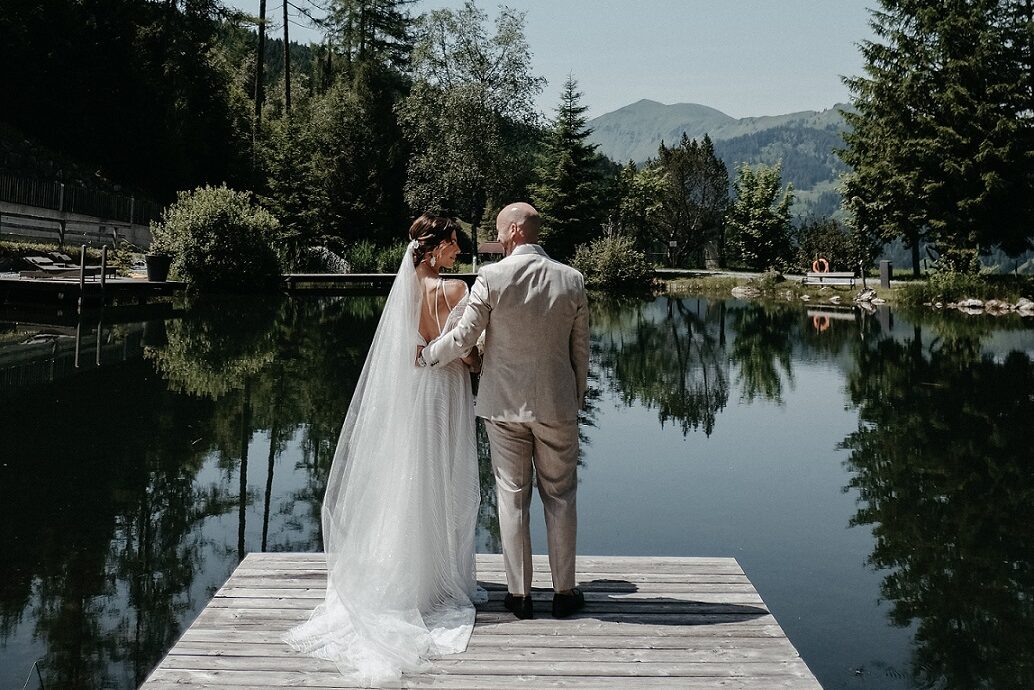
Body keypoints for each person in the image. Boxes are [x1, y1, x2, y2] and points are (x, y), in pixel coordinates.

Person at [284, 213, 486, 687]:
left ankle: (407, 569)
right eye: (454, 245)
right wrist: (476, 356)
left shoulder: (402, 296)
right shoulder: (455, 292)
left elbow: (402, 354)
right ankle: (435, 580)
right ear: (436, 249)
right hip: (446, 393)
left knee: (408, 475)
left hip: (412, 393)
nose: (459, 252)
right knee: (443, 476)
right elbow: (468, 353)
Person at [418, 202, 589, 620]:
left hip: (503, 405)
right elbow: (580, 350)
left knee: (511, 499)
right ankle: (564, 593)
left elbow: (463, 338)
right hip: (557, 404)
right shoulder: (572, 279)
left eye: (499, 230)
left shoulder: (491, 278)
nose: (496, 238)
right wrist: (575, 397)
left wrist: (426, 358)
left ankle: (519, 596)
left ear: (513, 231)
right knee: (561, 498)